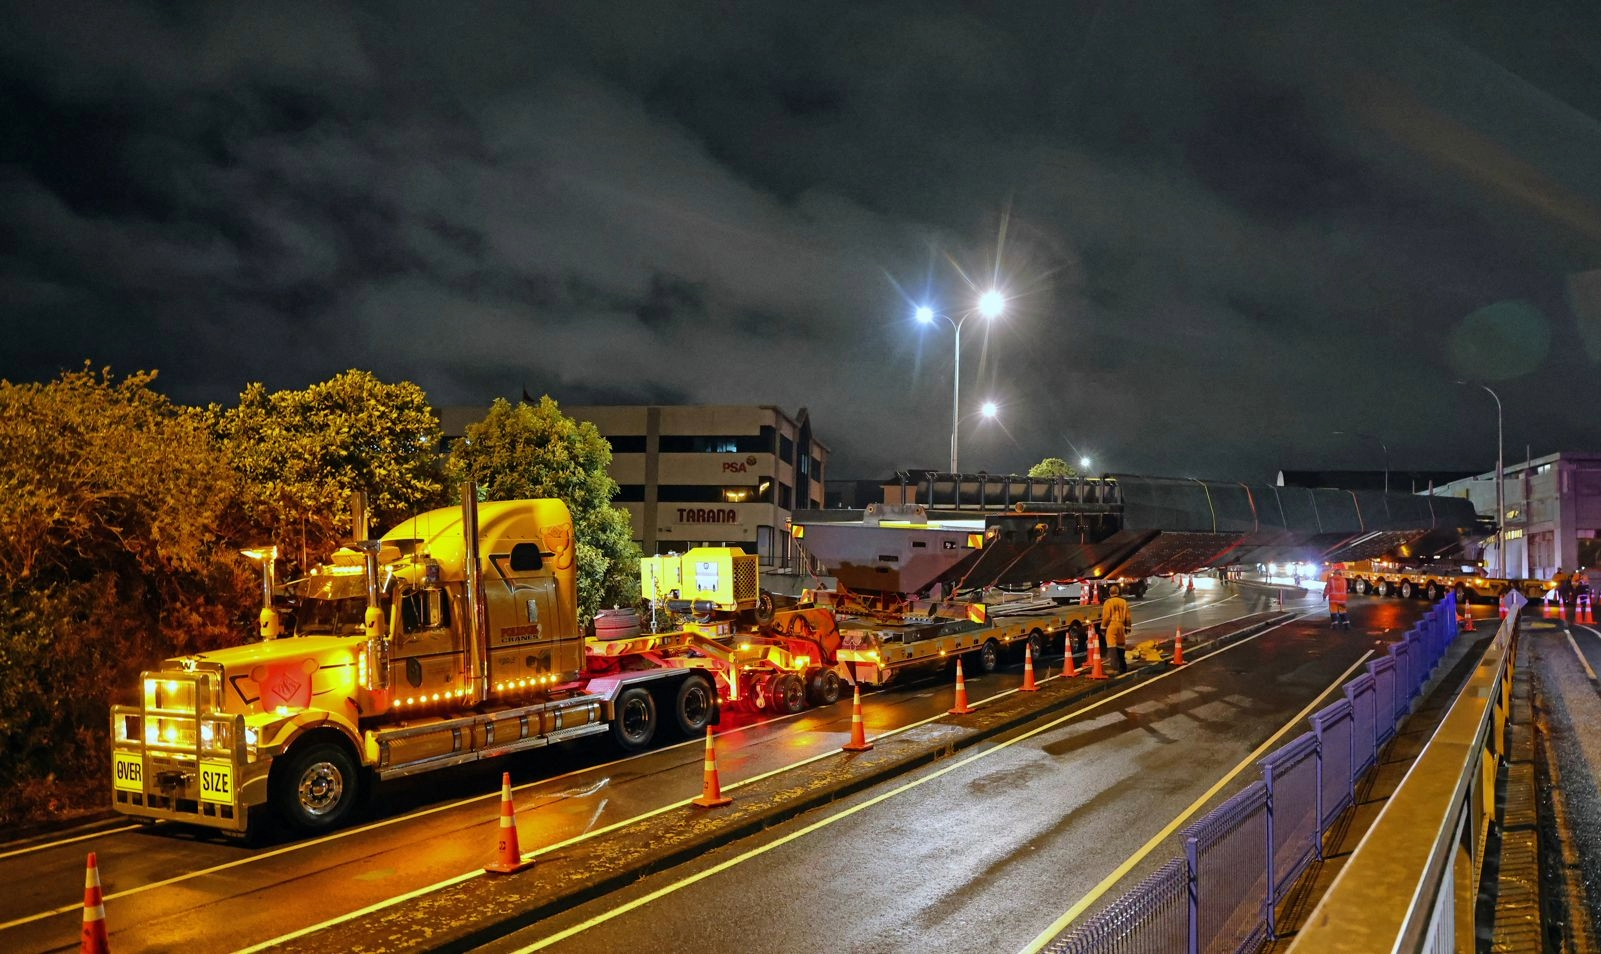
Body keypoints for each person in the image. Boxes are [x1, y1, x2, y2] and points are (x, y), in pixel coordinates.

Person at [1100, 583, 1132, 673]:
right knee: (1121, 646)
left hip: (1111, 626)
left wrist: (1103, 627)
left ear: (1110, 593)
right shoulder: (1124, 602)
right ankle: (1123, 666)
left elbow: (1106, 616)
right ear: (1118, 592)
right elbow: (1128, 617)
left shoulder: (1108, 602)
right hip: (1121, 626)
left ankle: (1115, 666)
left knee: (1112, 646)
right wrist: (1128, 627)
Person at [1325, 565, 1350, 629]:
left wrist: (1324, 595)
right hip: (1342, 599)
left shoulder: (1331, 579)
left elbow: (1327, 588)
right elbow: (1345, 589)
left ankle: (1335, 625)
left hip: (1333, 599)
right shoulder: (1344, 580)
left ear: (1334, 573)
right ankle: (1346, 624)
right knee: (1343, 611)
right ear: (1340, 574)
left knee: (1333, 612)